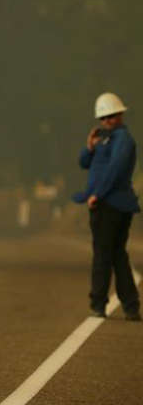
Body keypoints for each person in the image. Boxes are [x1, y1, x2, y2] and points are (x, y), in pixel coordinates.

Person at [72, 92, 141, 321]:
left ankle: (99, 303)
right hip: (108, 204)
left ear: (120, 114)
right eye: (103, 118)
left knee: (103, 255)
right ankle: (130, 305)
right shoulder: (105, 139)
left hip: (111, 204)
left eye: (111, 116)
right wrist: (90, 146)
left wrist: (97, 195)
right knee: (117, 255)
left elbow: (116, 170)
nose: (107, 121)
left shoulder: (123, 139)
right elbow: (84, 163)